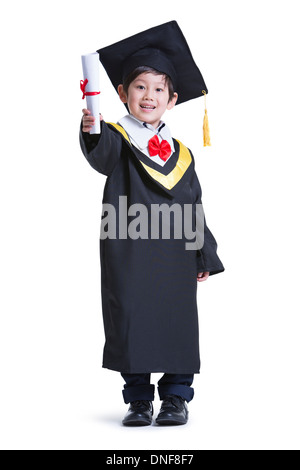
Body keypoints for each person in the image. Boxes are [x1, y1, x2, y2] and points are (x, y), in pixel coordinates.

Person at [79, 21, 224, 426]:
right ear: (123, 94)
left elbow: (194, 205)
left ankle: (176, 398)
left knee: (177, 320)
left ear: (172, 99)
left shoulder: (183, 154)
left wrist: (202, 253)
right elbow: (101, 154)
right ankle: (139, 400)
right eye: (140, 87)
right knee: (131, 316)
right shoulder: (116, 139)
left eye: (158, 89)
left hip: (174, 253)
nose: (149, 96)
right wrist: (91, 127)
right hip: (130, 248)